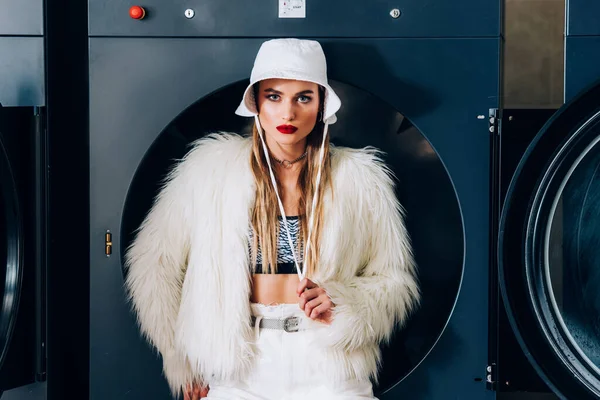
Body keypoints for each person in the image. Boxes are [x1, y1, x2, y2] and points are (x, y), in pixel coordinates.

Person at [124, 38, 420, 400]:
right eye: (274, 96)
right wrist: (182, 358)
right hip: (238, 363)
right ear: (257, 103)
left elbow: (393, 281)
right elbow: (154, 263)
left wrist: (344, 302)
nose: (288, 113)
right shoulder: (209, 170)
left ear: (322, 104)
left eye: (304, 98)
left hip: (329, 363)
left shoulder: (360, 178)